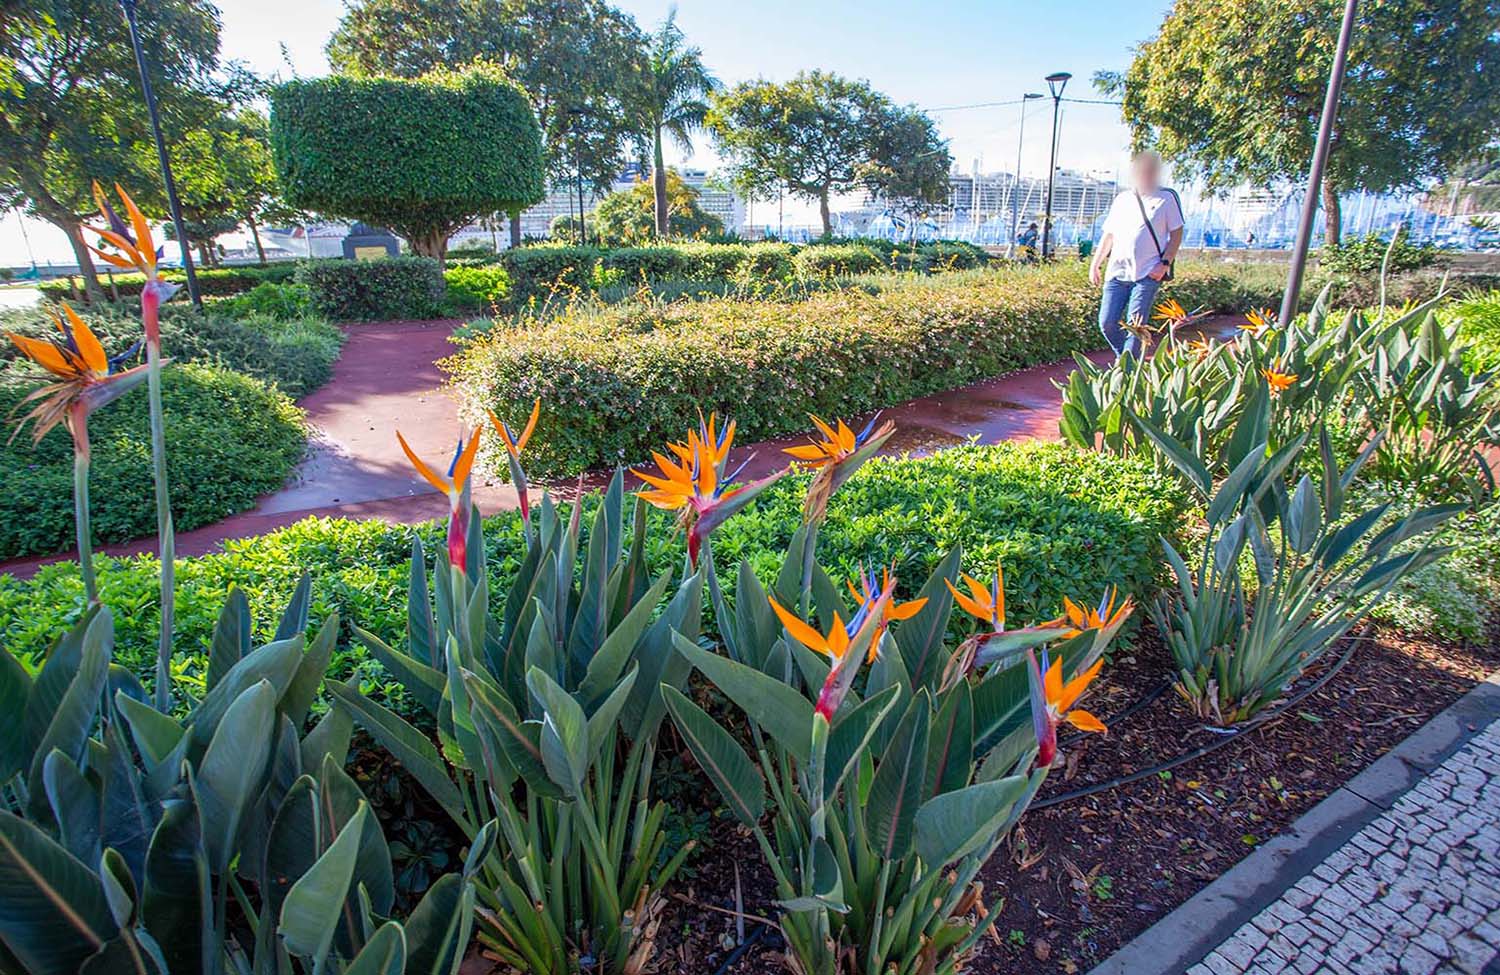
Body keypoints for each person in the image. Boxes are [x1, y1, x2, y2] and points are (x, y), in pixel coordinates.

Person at [1089, 152, 1185, 359]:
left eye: (1149, 171)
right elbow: (1109, 235)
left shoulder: (1166, 198)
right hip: (1117, 272)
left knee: (1136, 325)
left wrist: (1164, 264)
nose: (1145, 175)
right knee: (1107, 323)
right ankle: (1127, 362)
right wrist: (1095, 264)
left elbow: (1176, 234)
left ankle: (1126, 372)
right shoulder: (1123, 199)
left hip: (1147, 273)